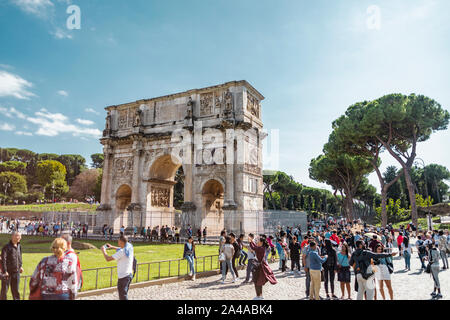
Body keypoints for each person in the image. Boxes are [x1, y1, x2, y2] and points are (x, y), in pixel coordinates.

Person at [101, 235, 134, 300]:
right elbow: (120, 248)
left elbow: (108, 259)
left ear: (121, 242)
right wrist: (112, 247)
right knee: (124, 294)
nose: (118, 243)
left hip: (123, 276)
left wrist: (103, 250)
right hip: (129, 275)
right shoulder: (129, 247)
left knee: (122, 296)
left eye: (118, 242)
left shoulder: (122, 252)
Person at [249, 235, 277, 300]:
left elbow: (253, 247)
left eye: (258, 241)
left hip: (259, 267)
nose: (257, 242)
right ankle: (260, 295)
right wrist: (251, 242)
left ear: (261, 242)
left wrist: (250, 241)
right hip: (259, 266)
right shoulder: (262, 247)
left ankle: (258, 296)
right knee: (259, 281)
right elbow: (255, 247)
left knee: (256, 281)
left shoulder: (260, 248)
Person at [0, 231, 23, 300]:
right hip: (7, 273)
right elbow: (3, 259)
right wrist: (5, 271)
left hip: (16, 272)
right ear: (13, 237)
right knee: (4, 291)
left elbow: (19, 257)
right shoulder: (6, 247)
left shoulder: (19, 246)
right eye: (18, 236)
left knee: (16, 290)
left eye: (20, 236)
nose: (19, 237)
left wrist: (20, 266)